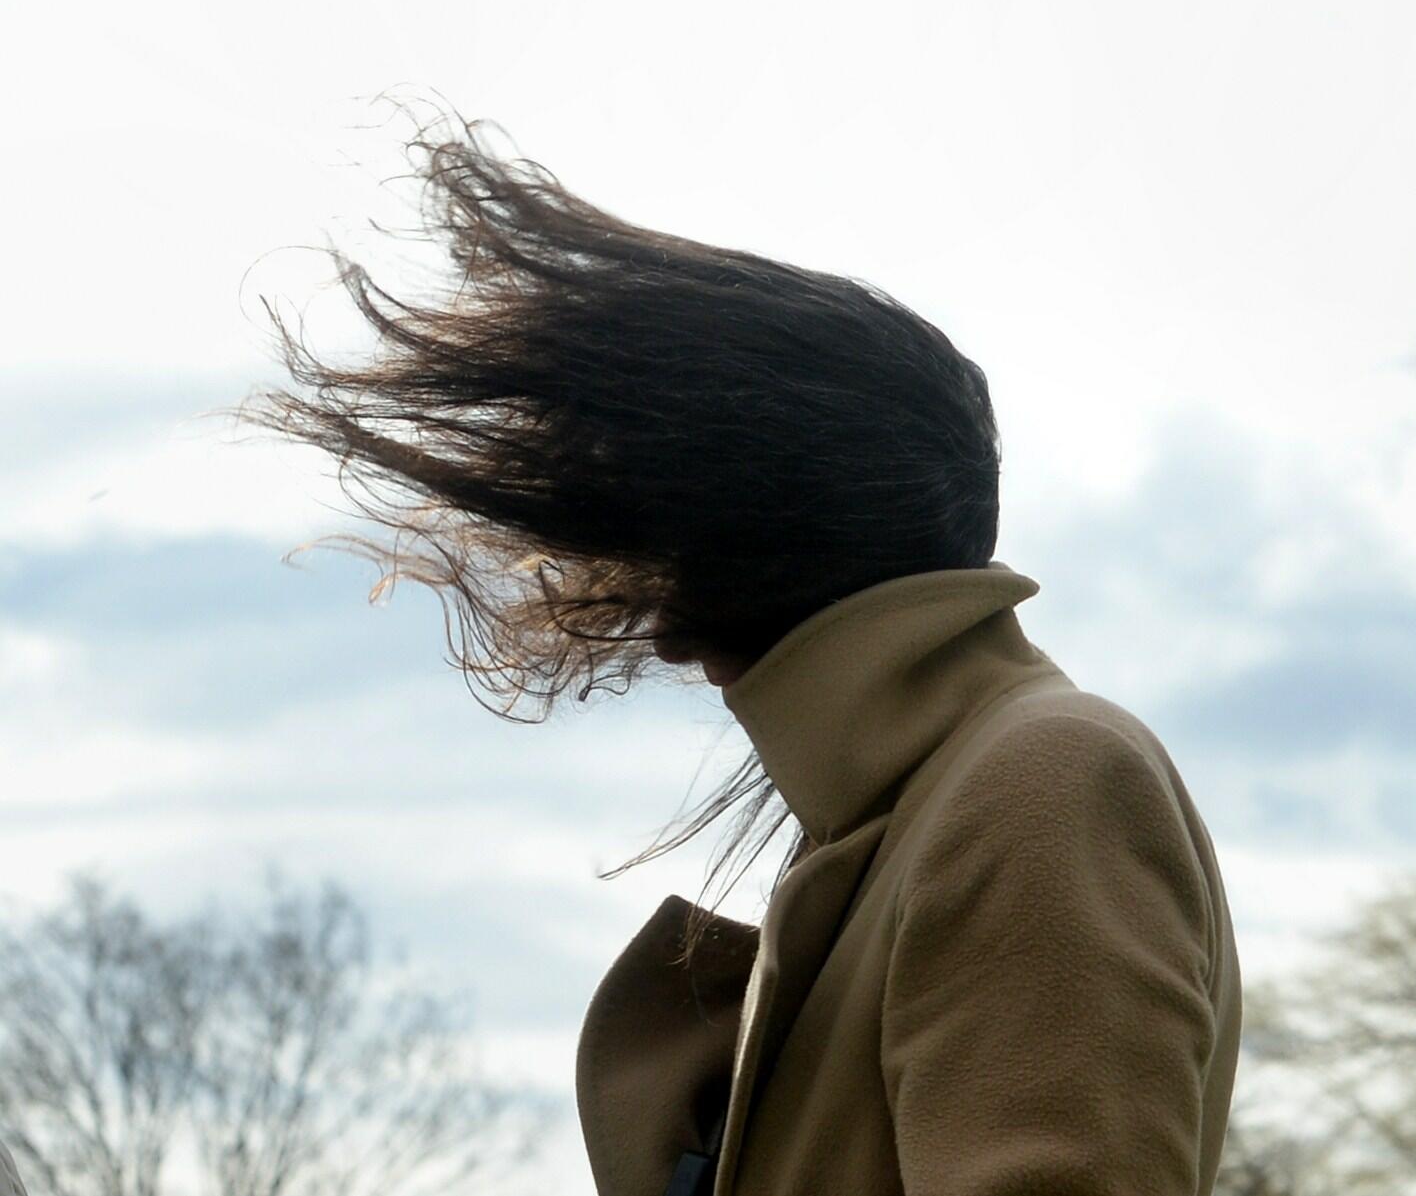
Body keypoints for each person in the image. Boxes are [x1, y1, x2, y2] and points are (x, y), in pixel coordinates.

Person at [245, 123, 1241, 1195]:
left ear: (731, 512)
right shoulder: (901, 817)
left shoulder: (1040, 782)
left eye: (632, 491)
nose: (605, 554)